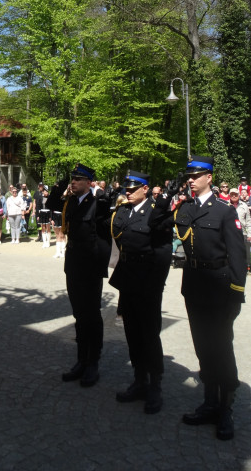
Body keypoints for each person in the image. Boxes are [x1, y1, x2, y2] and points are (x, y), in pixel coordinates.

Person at [174, 155, 247, 441]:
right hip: (194, 285)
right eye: (188, 176)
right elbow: (174, 227)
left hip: (218, 287)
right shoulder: (186, 208)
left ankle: (225, 408)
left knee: (221, 348)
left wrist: (236, 293)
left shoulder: (224, 211)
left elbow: (238, 255)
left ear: (209, 178)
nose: (190, 180)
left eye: (196, 176)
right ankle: (209, 402)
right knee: (203, 346)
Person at [109, 171, 174, 413]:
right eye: (126, 187)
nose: (128, 191)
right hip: (128, 279)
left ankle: (155, 385)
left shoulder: (156, 212)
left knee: (149, 333)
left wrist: (155, 283)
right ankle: (139, 380)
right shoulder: (124, 211)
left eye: (133, 188)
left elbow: (165, 252)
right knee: (132, 332)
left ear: (145, 189)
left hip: (148, 282)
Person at [61, 163, 111, 388]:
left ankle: (93, 362)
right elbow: (54, 203)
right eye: (72, 179)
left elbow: (104, 238)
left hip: (90, 268)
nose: (73, 182)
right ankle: (81, 359)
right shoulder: (72, 201)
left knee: (91, 315)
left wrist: (99, 267)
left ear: (89, 183)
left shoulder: (98, 204)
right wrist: (62, 188)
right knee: (79, 315)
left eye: (78, 179)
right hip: (73, 267)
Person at [229, 188, 251, 271]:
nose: (234, 196)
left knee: (242, 252)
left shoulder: (244, 206)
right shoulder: (226, 205)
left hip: (242, 232)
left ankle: (243, 268)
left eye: (235, 194)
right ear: (229, 195)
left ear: (239, 195)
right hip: (229, 232)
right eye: (232, 194)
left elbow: (248, 221)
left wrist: (250, 234)